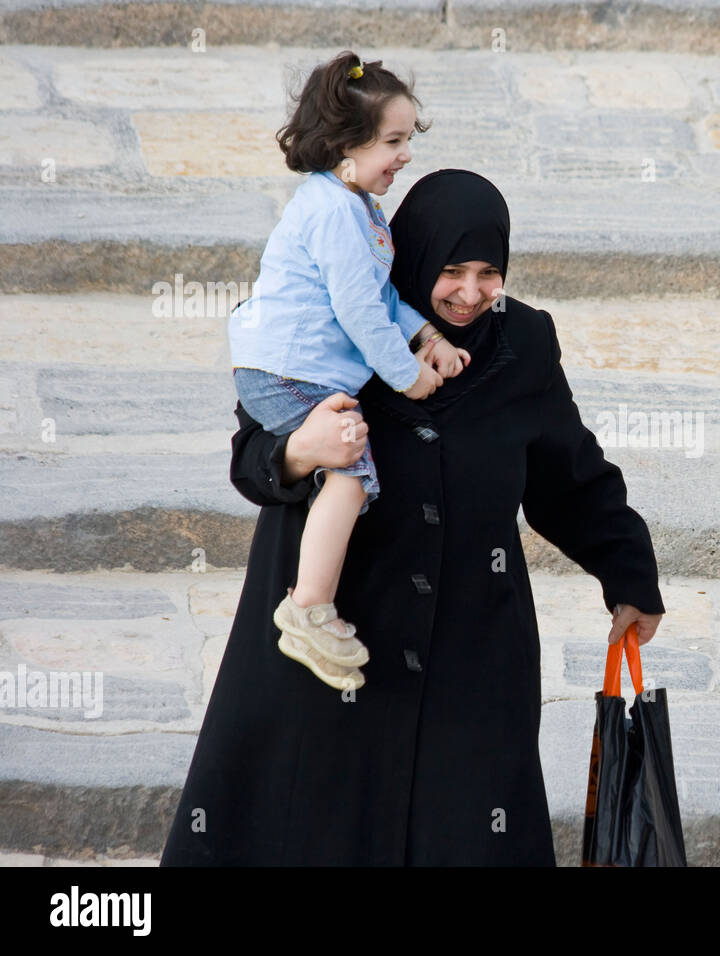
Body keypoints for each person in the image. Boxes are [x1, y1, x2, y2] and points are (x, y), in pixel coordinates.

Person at [162, 169, 665, 865]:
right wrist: (301, 451)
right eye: (451, 271)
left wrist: (629, 573)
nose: (470, 293)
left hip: (470, 644)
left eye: (489, 273)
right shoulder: (330, 316)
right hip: (336, 643)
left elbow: (569, 477)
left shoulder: (524, 342)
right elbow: (252, 463)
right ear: (413, 259)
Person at [228, 51, 469, 690]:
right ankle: (308, 607)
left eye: (408, 139)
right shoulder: (333, 210)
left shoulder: (356, 205)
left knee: (349, 469)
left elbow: (382, 296)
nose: (405, 155)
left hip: (298, 367)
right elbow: (358, 309)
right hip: (286, 370)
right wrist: (407, 375)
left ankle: (313, 602)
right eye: (393, 141)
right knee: (352, 470)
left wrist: (427, 335)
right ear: (345, 144)